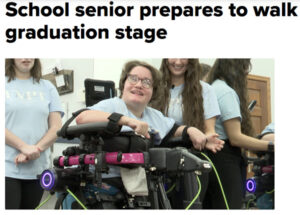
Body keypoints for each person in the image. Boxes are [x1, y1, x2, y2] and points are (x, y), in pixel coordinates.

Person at [75, 61, 224, 201]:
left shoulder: (153, 116)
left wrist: (192, 130)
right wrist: (125, 120)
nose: (139, 85)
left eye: (146, 82)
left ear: (153, 91)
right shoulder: (112, 105)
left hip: (139, 185)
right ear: (124, 83)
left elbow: (174, 129)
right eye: (133, 79)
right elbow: (82, 118)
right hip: (102, 183)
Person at [203, 59, 274, 209]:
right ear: (236, 68)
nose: (246, 72)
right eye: (245, 67)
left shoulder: (212, 87)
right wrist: (271, 146)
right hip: (224, 159)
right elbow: (235, 138)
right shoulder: (226, 92)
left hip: (211, 159)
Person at [151, 58, 221, 208]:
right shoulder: (154, 87)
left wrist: (207, 137)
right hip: (157, 158)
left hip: (190, 157)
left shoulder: (205, 90)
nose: (178, 61)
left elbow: (209, 129)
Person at [5, 58, 64, 209]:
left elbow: (56, 127)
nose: (26, 58)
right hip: (6, 168)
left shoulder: (47, 87)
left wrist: (35, 149)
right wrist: (23, 146)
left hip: (37, 169)